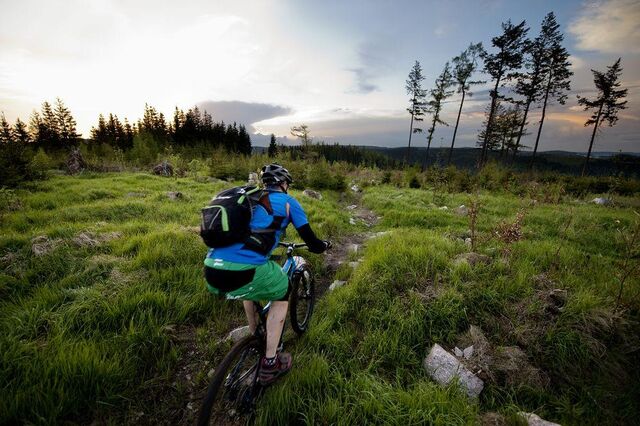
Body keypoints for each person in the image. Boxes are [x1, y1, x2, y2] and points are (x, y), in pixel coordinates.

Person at [203, 163, 330, 385]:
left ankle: (255, 334)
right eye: (287, 184)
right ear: (283, 183)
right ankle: (270, 363)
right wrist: (323, 246)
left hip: (212, 267)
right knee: (283, 293)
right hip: (244, 269)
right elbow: (311, 241)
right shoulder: (289, 202)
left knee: (252, 287)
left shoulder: (250, 200)